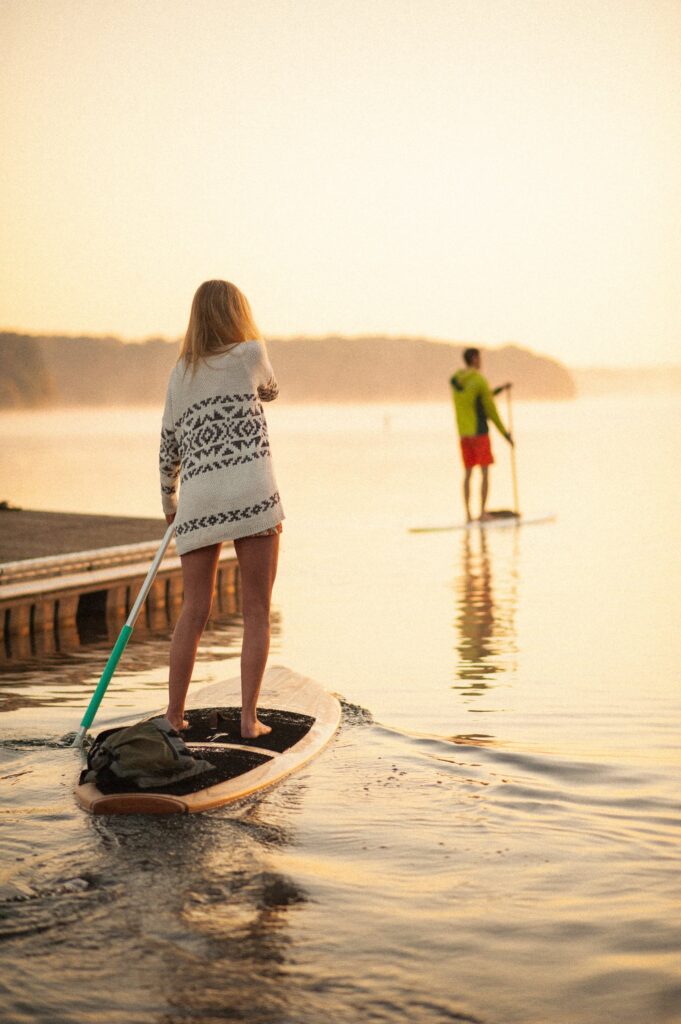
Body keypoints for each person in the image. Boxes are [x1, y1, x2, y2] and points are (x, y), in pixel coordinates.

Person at [159, 280, 284, 738]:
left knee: (193, 610)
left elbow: (168, 445)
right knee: (256, 610)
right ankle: (249, 720)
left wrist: (169, 502)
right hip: (253, 496)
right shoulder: (250, 353)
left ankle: (174, 715)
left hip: (200, 502)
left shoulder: (180, 374)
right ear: (237, 314)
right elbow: (271, 391)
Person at [450, 347, 513, 522]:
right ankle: (483, 512)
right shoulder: (479, 380)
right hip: (479, 432)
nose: (481, 361)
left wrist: (499, 390)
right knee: (484, 472)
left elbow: (480, 398)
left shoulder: (456, 380)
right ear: (475, 359)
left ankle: (468, 515)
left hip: (464, 433)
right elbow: (490, 408)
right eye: (480, 358)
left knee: (468, 473)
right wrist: (505, 434)